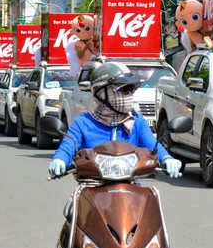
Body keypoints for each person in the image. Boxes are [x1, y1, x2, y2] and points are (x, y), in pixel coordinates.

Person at [48, 62, 182, 178]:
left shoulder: (136, 121)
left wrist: (167, 158)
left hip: (129, 183)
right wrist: (59, 160)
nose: (129, 94)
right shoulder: (83, 122)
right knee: (76, 203)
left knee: (151, 200)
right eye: (123, 89)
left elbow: (153, 146)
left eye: (131, 90)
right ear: (102, 93)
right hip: (90, 183)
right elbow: (68, 147)